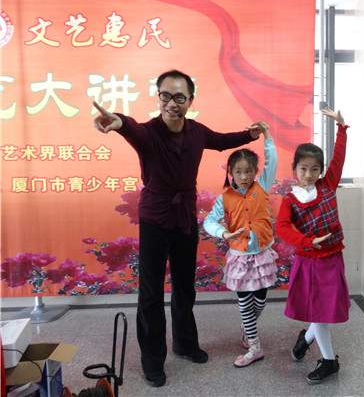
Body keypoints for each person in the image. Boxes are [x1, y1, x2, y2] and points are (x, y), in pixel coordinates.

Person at [92, 69, 263, 387]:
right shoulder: (149, 133)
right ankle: (152, 360)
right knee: (151, 293)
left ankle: (185, 344)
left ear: (190, 101)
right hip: (155, 219)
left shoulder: (196, 132)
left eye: (179, 97)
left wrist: (250, 135)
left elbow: (221, 141)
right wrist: (118, 121)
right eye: (166, 96)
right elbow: (131, 128)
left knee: (185, 287)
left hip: (185, 217)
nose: (172, 103)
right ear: (158, 97)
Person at [275, 108, 351, 385]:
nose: (309, 174)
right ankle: (329, 361)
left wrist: (341, 129)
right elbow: (282, 228)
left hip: (332, 257)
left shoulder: (328, 185)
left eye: (315, 169)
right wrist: (307, 242)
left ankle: (306, 341)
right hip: (308, 260)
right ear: (294, 169)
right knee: (319, 312)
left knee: (322, 311)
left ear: (321, 170)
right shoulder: (290, 198)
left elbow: (338, 159)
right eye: (303, 169)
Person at [203, 121, 279, 368]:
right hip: (239, 256)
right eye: (239, 172)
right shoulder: (225, 197)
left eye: (248, 171)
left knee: (260, 302)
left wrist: (266, 136)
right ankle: (255, 347)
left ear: (256, 172)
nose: (244, 177)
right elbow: (209, 221)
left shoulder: (262, 186)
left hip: (262, 254)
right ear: (231, 173)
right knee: (245, 303)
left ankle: (249, 330)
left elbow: (272, 161)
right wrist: (224, 233)